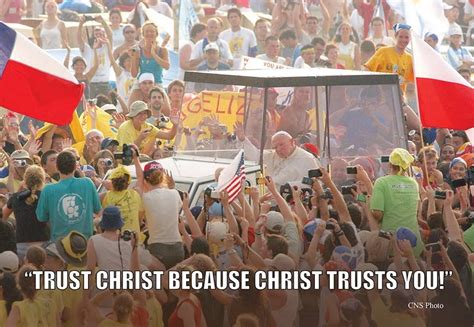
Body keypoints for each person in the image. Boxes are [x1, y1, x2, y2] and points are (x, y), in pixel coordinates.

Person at [36, 151, 101, 240]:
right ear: (75, 167)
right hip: (84, 242)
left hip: (59, 244)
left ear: (57, 167)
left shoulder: (48, 189)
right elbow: (98, 210)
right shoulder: (87, 183)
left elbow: (41, 217)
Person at [370, 148, 423, 256]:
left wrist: (367, 206)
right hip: (413, 243)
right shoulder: (414, 183)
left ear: (390, 164)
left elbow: (377, 214)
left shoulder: (381, 182)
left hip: (391, 245)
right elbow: (417, 210)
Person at [134, 157, 184, 269]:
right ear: (163, 177)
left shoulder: (145, 198)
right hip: (178, 247)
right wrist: (171, 187)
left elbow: (138, 221)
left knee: (156, 284)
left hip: (158, 247)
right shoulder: (175, 193)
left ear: (145, 179)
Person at [235, 126, 321, 187]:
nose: (278, 149)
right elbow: (255, 155)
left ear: (292, 142)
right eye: (275, 147)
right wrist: (243, 139)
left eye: (281, 145)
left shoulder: (308, 159)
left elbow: (314, 183)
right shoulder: (273, 155)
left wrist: (292, 186)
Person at [3, 165, 49, 260]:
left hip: (21, 246)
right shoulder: (47, 197)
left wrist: (17, 193)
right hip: (44, 245)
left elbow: (2, 217)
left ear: (25, 179)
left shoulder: (16, 197)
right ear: (42, 180)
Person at [364, 24, 414, 94]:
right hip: (380, 97)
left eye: (406, 37)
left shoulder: (410, 58)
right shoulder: (383, 51)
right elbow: (367, 69)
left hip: (399, 98)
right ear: (395, 36)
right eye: (401, 37)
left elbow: (416, 79)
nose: (403, 40)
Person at [102, 166, 144, 236]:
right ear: (128, 183)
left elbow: (104, 217)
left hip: (116, 240)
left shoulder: (108, 196)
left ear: (112, 182)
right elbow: (140, 214)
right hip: (134, 239)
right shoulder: (134, 194)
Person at [77, 17, 113, 98]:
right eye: (96, 34)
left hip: (104, 83)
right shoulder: (87, 48)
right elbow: (79, 39)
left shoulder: (107, 47)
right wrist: (80, 24)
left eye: (101, 34)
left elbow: (110, 35)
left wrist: (103, 22)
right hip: (91, 83)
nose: (98, 36)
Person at [130, 21, 170, 86]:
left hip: (156, 84)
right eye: (147, 31)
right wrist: (133, 58)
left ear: (156, 34)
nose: (149, 33)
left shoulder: (162, 50)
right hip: (142, 85)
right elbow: (134, 74)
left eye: (152, 31)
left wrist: (153, 53)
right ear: (143, 34)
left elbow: (167, 66)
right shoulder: (139, 50)